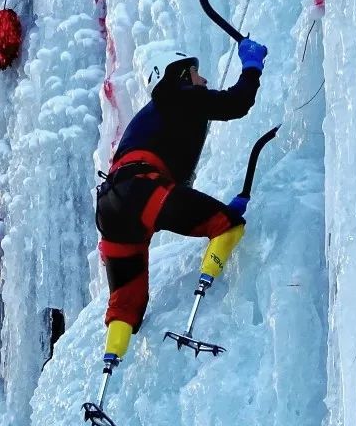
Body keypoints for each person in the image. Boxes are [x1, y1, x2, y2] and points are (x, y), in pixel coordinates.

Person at [94, 38, 267, 365]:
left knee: (126, 304)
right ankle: (197, 309)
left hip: (110, 206)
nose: (203, 81)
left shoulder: (155, 114)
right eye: (197, 74)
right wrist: (252, 66)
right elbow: (237, 103)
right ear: (180, 75)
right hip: (141, 191)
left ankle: (107, 371)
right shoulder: (177, 94)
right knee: (227, 226)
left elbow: (180, 194)